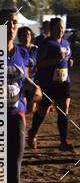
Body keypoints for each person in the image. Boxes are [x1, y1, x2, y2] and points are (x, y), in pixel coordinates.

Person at [0, 7, 41, 183]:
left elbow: (24, 78)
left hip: (16, 114)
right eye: (8, 22)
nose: (12, 26)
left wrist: (34, 88)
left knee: (14, 168)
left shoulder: (21, 53)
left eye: (15, 22)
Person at [28, 17, 74, 151]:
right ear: (51, 29)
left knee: (63, 110)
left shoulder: (66, 42)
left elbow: (67, 56)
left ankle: (63, 141)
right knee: (43, 111)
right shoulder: (45, 43)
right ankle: (33, 133)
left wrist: (69, 60)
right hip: (47, 82)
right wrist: (55, 59)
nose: (59, 31)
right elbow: (39, 64)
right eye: (56, 28)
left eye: (61, 28)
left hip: (64, 81)